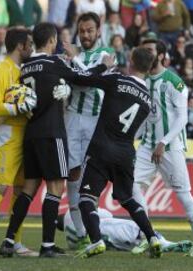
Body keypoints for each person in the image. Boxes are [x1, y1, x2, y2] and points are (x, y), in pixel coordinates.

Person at [0, 22, 113, 258]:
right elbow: (83, 78)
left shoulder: (26, 66)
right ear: (51, 41)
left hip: (30, 134)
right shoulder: (55, 62)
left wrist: (61, 87)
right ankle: (48, 246)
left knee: (28, 189)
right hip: (52, 132)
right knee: (55, 187)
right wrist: (104, 65)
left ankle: (8, 241)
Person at [75, 48, 163, 259]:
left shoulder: (116, 79)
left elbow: (86, 78)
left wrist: (103, 64)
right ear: (150, 69)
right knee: (128, 199)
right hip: (125, 153)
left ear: (130, 61)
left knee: (86, 198)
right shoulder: (149, 101)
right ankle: (152, 237)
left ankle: (96, 241)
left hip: (102, 147)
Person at [132, 39, 193, 257]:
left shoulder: (174, 82)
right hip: (148, 145)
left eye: (149, 51)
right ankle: (147, 236)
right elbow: (145, 116)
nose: (144, 54)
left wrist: (163, 142)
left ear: (160, 56)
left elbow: (182, 118)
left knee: (183, 193)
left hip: (170, 146)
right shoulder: (143, 80)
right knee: (132, 187)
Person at [62, 12, 115, 249]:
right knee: (72, 175)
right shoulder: (71, 55)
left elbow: (89, 81)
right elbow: (73, 80)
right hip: (72, 118)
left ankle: (90, 228)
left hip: (95, 120)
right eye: (82, 31)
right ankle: (81, 233)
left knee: (89, 177)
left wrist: (76, 62)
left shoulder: (106, 56)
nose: (85, 35)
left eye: (90, 30)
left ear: (98, 30)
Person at [0, 27, 37, 258]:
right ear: (21, 46)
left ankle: (15, 242)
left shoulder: (26, 70)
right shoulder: (0, 70)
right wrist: (15, 107)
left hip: (25, 135)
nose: (32, 47)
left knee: (20, 190)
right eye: (30, 43)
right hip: (6, 135)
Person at [58, 208, 192, 253]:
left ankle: (161, 244)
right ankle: (160, 241)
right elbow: (107, 215)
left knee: (129, 243)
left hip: (105, 243)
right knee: (134, 227)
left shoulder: (71, 242)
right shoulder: (72, 212)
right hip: (101, 230)